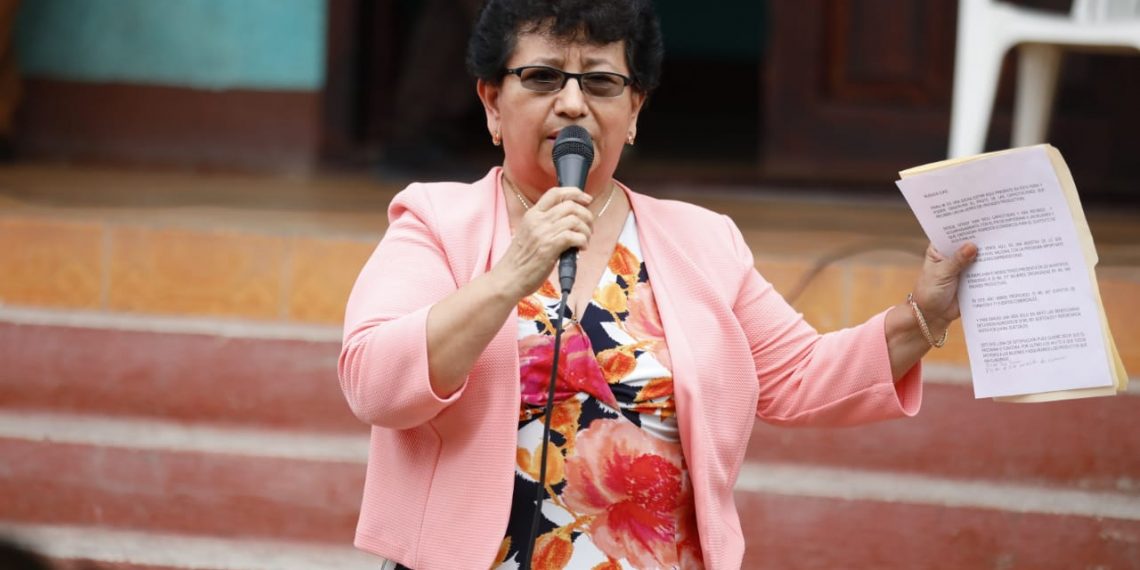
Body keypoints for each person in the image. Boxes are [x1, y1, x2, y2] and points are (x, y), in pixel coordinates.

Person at [338, 0, 978, 568]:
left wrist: (925, 314)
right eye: (542, 77)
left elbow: (802, 376)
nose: (572, 103)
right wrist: (510, 276)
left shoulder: (702, 241)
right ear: (491, 102)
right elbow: (374, 383)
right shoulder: (435, 222)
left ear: (635, 110)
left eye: (601, 82)